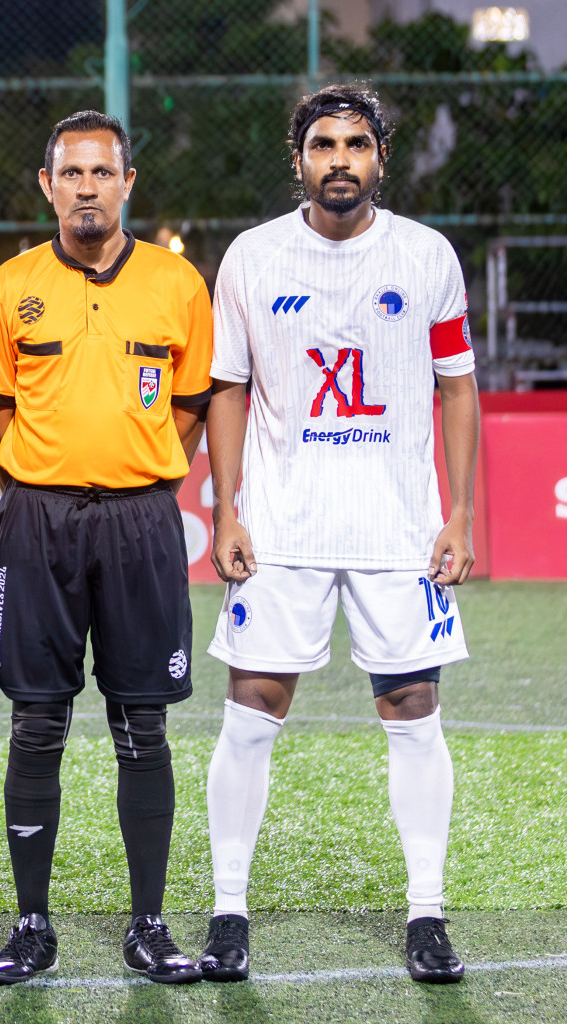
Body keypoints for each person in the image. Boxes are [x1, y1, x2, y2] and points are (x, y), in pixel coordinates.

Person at [200, 84, 476, 986]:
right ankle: (229, 911)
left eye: (357, 143)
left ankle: (427, 914)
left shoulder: (428, 257)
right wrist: (225, 508)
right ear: (299, 159)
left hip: (400, 528)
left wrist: (461, 512)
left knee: (412, 714)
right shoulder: (251, 257)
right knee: (251, 714)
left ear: (380, 160)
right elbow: (229, 389)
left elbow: (458, 386)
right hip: (282, 525)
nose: (340, 159)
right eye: (324, 144)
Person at [0, 110, 212, 986]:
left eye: (101, 173)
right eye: (70, 173)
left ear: (128, 184)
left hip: (144, 522)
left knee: (141, 725)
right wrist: (42, 474)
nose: (86, 187)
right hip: (38, 523)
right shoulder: (9, 286)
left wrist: (138, 469)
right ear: (47, 185)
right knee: (37, 725)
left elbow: (189, 402)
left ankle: (149, 925)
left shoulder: (178, 286)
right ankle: (32, 925)